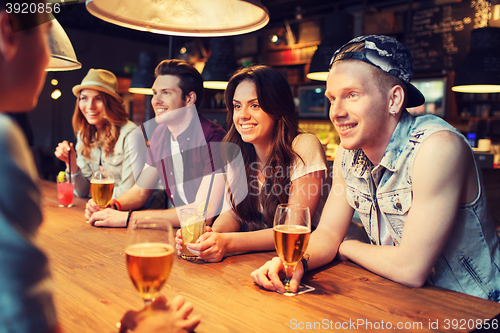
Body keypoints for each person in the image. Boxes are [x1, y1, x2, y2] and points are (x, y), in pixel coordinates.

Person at [251, 35, 500, 301]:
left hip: (477, 310)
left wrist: (347, 247)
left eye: (352, 95)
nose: (336, 111)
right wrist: (297, 262)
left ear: (394, 100)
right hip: (406, 303)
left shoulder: (437, 147)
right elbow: (326, 234)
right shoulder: (349, 155)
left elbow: (410, 268)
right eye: (332, 98)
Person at [0, 1, 199, 332]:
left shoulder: (143, 135)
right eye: (47, 37)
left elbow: (164, 199)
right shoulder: (5, 139)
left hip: (150, 233)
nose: (48, 60)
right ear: (8, 32)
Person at [181, 65, 328, 262]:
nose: (242, 115)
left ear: (277, 109)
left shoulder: (303, 146)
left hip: (312, 260)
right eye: (237, 106)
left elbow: (293, 228)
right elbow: (235, 215)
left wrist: (227, 242)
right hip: (262, 260)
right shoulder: (237, 152)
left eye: (255, 105)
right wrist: (209, 238)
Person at [85, 59, 227, 228]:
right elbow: (140, 191)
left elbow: (203, 213)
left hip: (219, 240)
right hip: (183, 236)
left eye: (166, 93)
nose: (156, 100)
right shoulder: (160, 134)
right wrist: (113, 206)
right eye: (154, 93)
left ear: (189, 99)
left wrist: (128, 219)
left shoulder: (215, 139)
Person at [54, 68, 137, 199]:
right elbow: (81, 191)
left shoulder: (130, 134)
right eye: (84, 98)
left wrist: (93, 194)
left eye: (98, 99)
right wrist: (71, 163)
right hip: (97, 210)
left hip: (126, 214)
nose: (90, 106)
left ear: (111, 103)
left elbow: (129, 192)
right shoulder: (84, 134)